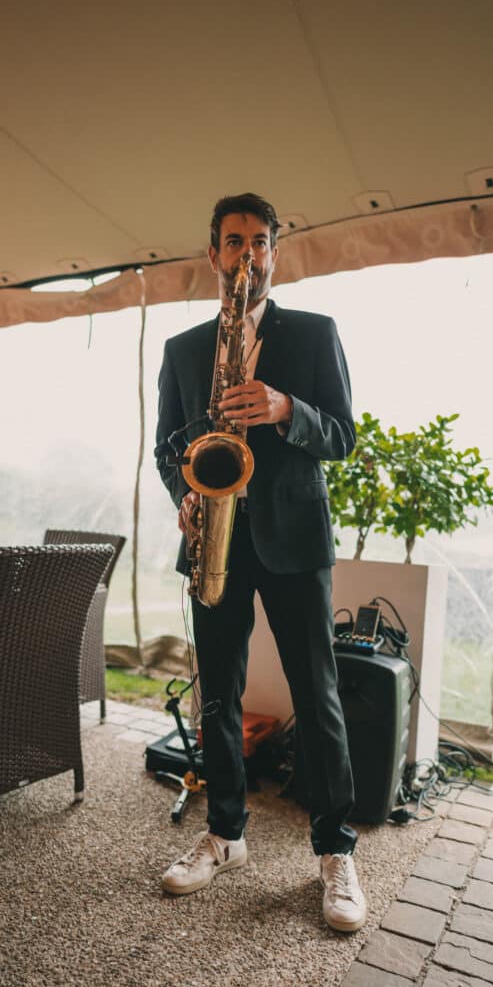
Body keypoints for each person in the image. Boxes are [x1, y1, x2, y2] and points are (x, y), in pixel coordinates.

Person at [154, 192, 366, 932]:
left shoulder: (313, 334)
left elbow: (342, 435)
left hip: (294, 538)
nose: (247, 254)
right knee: (220, 694)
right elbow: (165, 447)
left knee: (319, 693)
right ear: (212, 252)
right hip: (215, 535)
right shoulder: (183, 350)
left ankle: (335, 851)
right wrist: (182, 488)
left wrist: (284, 408)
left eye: (259, 241)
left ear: (275, 251)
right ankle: (225, 835)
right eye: (234, 241)